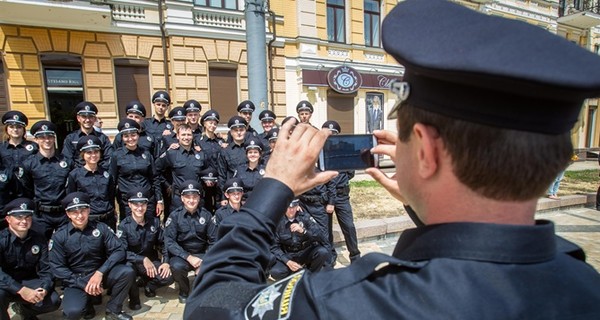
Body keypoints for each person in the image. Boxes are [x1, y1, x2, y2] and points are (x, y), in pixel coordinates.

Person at [183, 0, 600, 318]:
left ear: (428, 152)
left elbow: (212, 307)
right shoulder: (583, 283)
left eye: (402, 135)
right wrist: (431, 202)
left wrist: (272, 188)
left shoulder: (355, 302)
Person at [50, 192, 135, 320]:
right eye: (74, 212)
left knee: (127, 271)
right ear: (68, 214)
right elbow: (57, 267)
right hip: (76, 280)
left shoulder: (101, 228)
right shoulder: (60, 236)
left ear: (89, 210)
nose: (79, 215)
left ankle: (113, 310)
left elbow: (119, 250)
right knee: (73, 312)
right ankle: (87, 303)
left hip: (100, 274)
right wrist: (83, 284)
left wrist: (100, 272)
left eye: (83, 211)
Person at [0, 198, 61, 320]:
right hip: (5, 284)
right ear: (8, 219)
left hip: (29, 281)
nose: (24, 221)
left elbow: (47, 268)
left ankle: (25, 312)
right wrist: (20, 290)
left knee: (53, 301)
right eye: (19, 217)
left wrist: (44, 288)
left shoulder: (39, 239)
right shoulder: (1, 240)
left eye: (27, 217)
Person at [117, 188, 173, 310]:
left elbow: (164, 243)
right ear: (130, 205)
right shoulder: (124, 226)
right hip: (132, 262)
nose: (140, 208)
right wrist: (141, 259)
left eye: (143, 204)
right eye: (136, 204)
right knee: (128, 272)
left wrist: (166, 262)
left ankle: (150, 286)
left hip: (151, 262)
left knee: (168, 276)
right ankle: (134, 298)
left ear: (147, 205)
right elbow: (121, 251)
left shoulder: (154, 222)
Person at [18, 120, 73, 240]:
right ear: (36, 140)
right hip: (41, 215)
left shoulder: (67, 161)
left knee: (67, 246)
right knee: (41, 249)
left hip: (63, 213)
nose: (47, 140)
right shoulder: (29, 164)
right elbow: (26, 189)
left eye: (49, 137)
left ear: (54, 138)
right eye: (42, 137)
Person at [164, 180, 216, 304]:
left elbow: (214, 240)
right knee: (176, 267)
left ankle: (201, 288)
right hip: (182, 255)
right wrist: (188, 257)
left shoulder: (207, 215)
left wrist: (206, 260)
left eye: (194, 197)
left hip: (202, 253)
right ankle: (184, 290)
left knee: (213, 264)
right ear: (182, 198)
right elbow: (169, 242)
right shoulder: (174, 216)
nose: (191, 200)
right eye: (188, 197)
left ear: (199, 198)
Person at [323, 120, 361, 263]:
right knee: (326, 229)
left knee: (349, 227)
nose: (330, 136)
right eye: (327, 133)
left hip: (342, 196)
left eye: (333, 134)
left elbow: (351, 173)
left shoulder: (345, 151)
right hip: (325, 196)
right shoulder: (320, 151)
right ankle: (331, 257)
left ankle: (355, 257)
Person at [110, 119, 163, 220]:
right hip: (127, 202)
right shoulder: (116, 155)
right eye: (126, 136)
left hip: (147, 200)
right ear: (122, 138)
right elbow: (112, 181)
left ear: (138, 135)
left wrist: (159, 200)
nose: (130, 139)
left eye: (133, 135)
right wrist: (112, 205)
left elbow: (154, 178)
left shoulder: (146, 154)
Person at [269, 199, 330, 281]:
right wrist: (288, 261)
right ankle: (294, 275)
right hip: (289, 254)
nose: (291, 210)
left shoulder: (305, 217)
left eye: (293, 207)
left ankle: (311, 276)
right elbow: (274, 247)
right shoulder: (278, 222)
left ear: (297, 206)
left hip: (305, 251)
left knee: (322, 252)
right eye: (288, 207)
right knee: (276, 272)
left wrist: (304, 231)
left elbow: (320, 235)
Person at [67, 135, 117, 231]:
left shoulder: (107, 174)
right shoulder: (75, 175)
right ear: (83, 155)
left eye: (96, 152)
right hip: (89, 220)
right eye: (89, 153)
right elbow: (71, 198)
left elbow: (111, 196)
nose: (93, 155)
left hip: (108, 218)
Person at [155, 124, 207, 211]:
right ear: (178, 136)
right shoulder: (171, 153)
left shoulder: (200, 153)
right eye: (183, 135)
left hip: (197, 199)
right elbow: (156, 170)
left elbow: (206, 172)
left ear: (192, 136)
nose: (186, 137)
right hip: (178, 200)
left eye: (189, 134)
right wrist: (167, 185)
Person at [61, 101, 112, 170]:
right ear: (78, 118)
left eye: (90, 116)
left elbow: (109, 158)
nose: (87, 120)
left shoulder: (102, 138)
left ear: (94, 119)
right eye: (84, 116)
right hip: (78, 176)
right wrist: (79, 172)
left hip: (99, 175)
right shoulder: (71, 138)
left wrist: (98, 170)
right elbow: (67, 159)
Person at [0, 111, 38, 179]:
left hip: (29, 187)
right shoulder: (1, 148)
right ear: (7, 129)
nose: (15, 130)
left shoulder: (34, 147)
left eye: (19, 127)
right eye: (11, 127)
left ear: (23, 129)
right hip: (7, 187)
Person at [217, 116, 248, 192]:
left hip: (249, 191)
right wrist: (223, 196)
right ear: (231, 132)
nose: (239, 133)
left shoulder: (251, 149)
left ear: (245, 130)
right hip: (233, 191)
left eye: (241, 130)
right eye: (235, 130)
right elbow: (222, 176)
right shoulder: (225, 151)